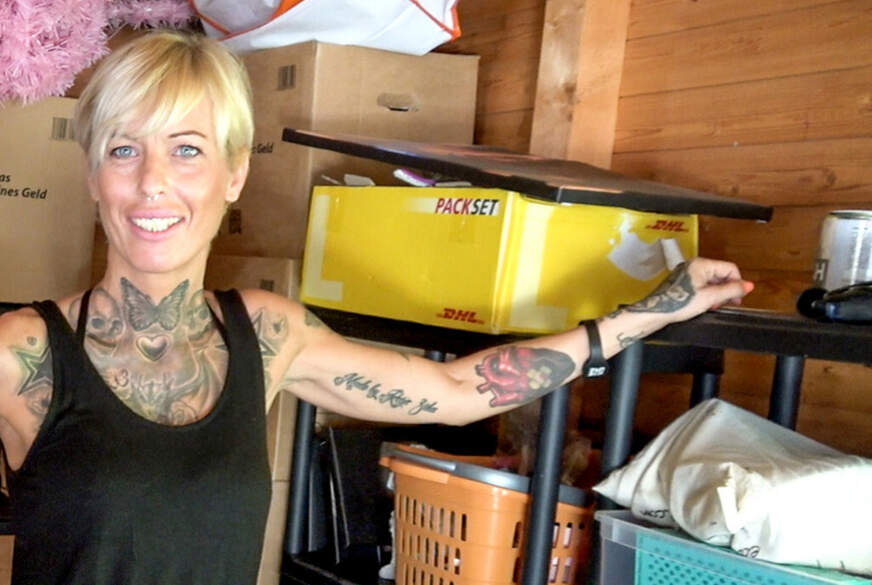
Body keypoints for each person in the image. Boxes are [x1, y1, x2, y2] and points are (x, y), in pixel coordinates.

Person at [0, 29, 753, 585]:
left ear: (235, 174)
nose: (153, 181)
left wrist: (642, 316)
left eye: (188, 148)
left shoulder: (268, 333)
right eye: (123, 149)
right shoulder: (20, 352)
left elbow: (454, 390)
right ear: (93, 175)